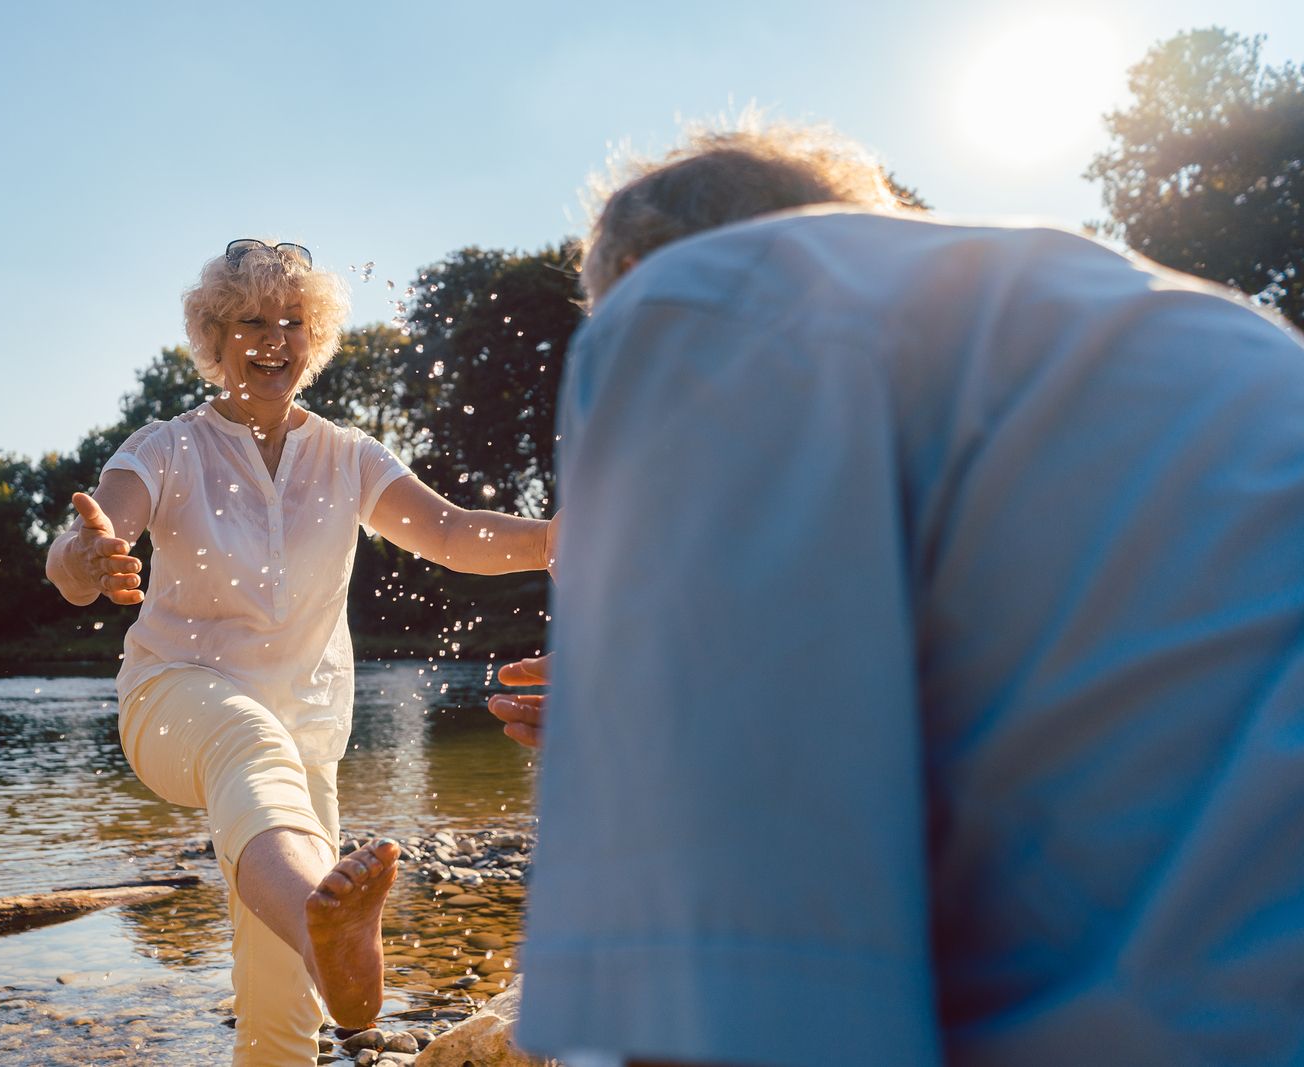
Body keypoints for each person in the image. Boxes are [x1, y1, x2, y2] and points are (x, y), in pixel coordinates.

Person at [488, 124, 1304, 1066]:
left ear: (628, 269)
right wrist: (643, 712)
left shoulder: (699, 295)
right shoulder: (1147, 317)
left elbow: (736, 979)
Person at [45, 239, 555, 1065]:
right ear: (215, 338)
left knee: (281, 1007)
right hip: (174, 703)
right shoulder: (167, 446)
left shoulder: (348, 453)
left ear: (313, 341)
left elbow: (455, 533)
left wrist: (560, 538)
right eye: (251, 319)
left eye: (293, 320)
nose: (275, 335)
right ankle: (329, 938)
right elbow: (88, 536)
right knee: (250, 744)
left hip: (305, 742)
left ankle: (318, 950)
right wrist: (87, 558)